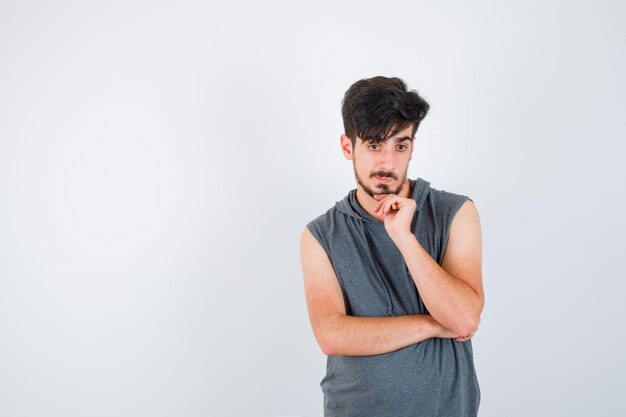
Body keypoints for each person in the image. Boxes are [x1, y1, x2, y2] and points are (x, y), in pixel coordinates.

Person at [300, 76, 484, 417]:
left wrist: (403, 237)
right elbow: (332, 335)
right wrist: (432, 325)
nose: (387, 163)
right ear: (347, 147)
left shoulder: (456, 212)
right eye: (373, 145)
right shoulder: (320, 234)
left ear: (412, 147)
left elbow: (463, 317)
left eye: (399, 146)